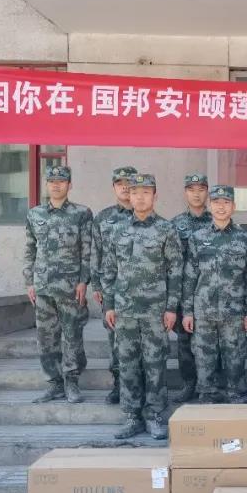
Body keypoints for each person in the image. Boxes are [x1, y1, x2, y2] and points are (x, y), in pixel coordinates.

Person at [101, 173, 182, 440]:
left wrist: (171, 308)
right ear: (129, 195)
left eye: (146, 192)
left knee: (155, 363)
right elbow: (109, 270)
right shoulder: (117, 229)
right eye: (135, 192)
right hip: (125, 310)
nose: (140, 197)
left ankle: (155, 415)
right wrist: (109, 305)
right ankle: (132, 416)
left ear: (155, 196)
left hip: (155, 311)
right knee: (128, 364)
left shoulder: (166, 229)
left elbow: (175, 271)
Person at [23, 166, 93, 405]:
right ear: (46, 184)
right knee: (46, 337)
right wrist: (29, 281)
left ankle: (71, 381)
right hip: (43, 286)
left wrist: (83, 280)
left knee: (72, 334)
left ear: (69, 185)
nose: (56, 185)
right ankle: (54, 383)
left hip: (70, 287)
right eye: (51, 181)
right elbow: (29, 249)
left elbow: (87, 250)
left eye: (61, 181)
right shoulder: (35, 214)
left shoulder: (81, 213)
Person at [182, 184, 247, 404]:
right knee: (204, 358)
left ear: (233, 206)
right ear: (209, 206)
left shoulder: (245, 238)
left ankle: (236, 394)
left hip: (234, 311)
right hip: (203, 311)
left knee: (235, 357)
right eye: (216, 203)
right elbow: (190, 276)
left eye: (226, 202)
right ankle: (207, 395)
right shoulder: (197, 237)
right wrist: (187, 311)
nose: (221, 207)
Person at [90, 165, 137, 404]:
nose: (125, 187)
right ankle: (119, 385)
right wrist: (96, 285)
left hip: (142, 291)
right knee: (116, 341)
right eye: (120, 183)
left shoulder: (145, 215)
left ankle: (140, 386)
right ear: (114, 187)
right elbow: (96, 253)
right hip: (113, 290)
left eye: (129, 183)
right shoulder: (103, 218)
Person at [170, 173, 212, 402]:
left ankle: (211, 384)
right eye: (191, 189)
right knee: (184, 342)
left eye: (201, 189)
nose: (196, 194)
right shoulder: (174, 224)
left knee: (211, 342)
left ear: (207, 192)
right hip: (184, 291)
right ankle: (189, 383)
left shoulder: (216, 220)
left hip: (209, 291)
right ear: (185, 193)